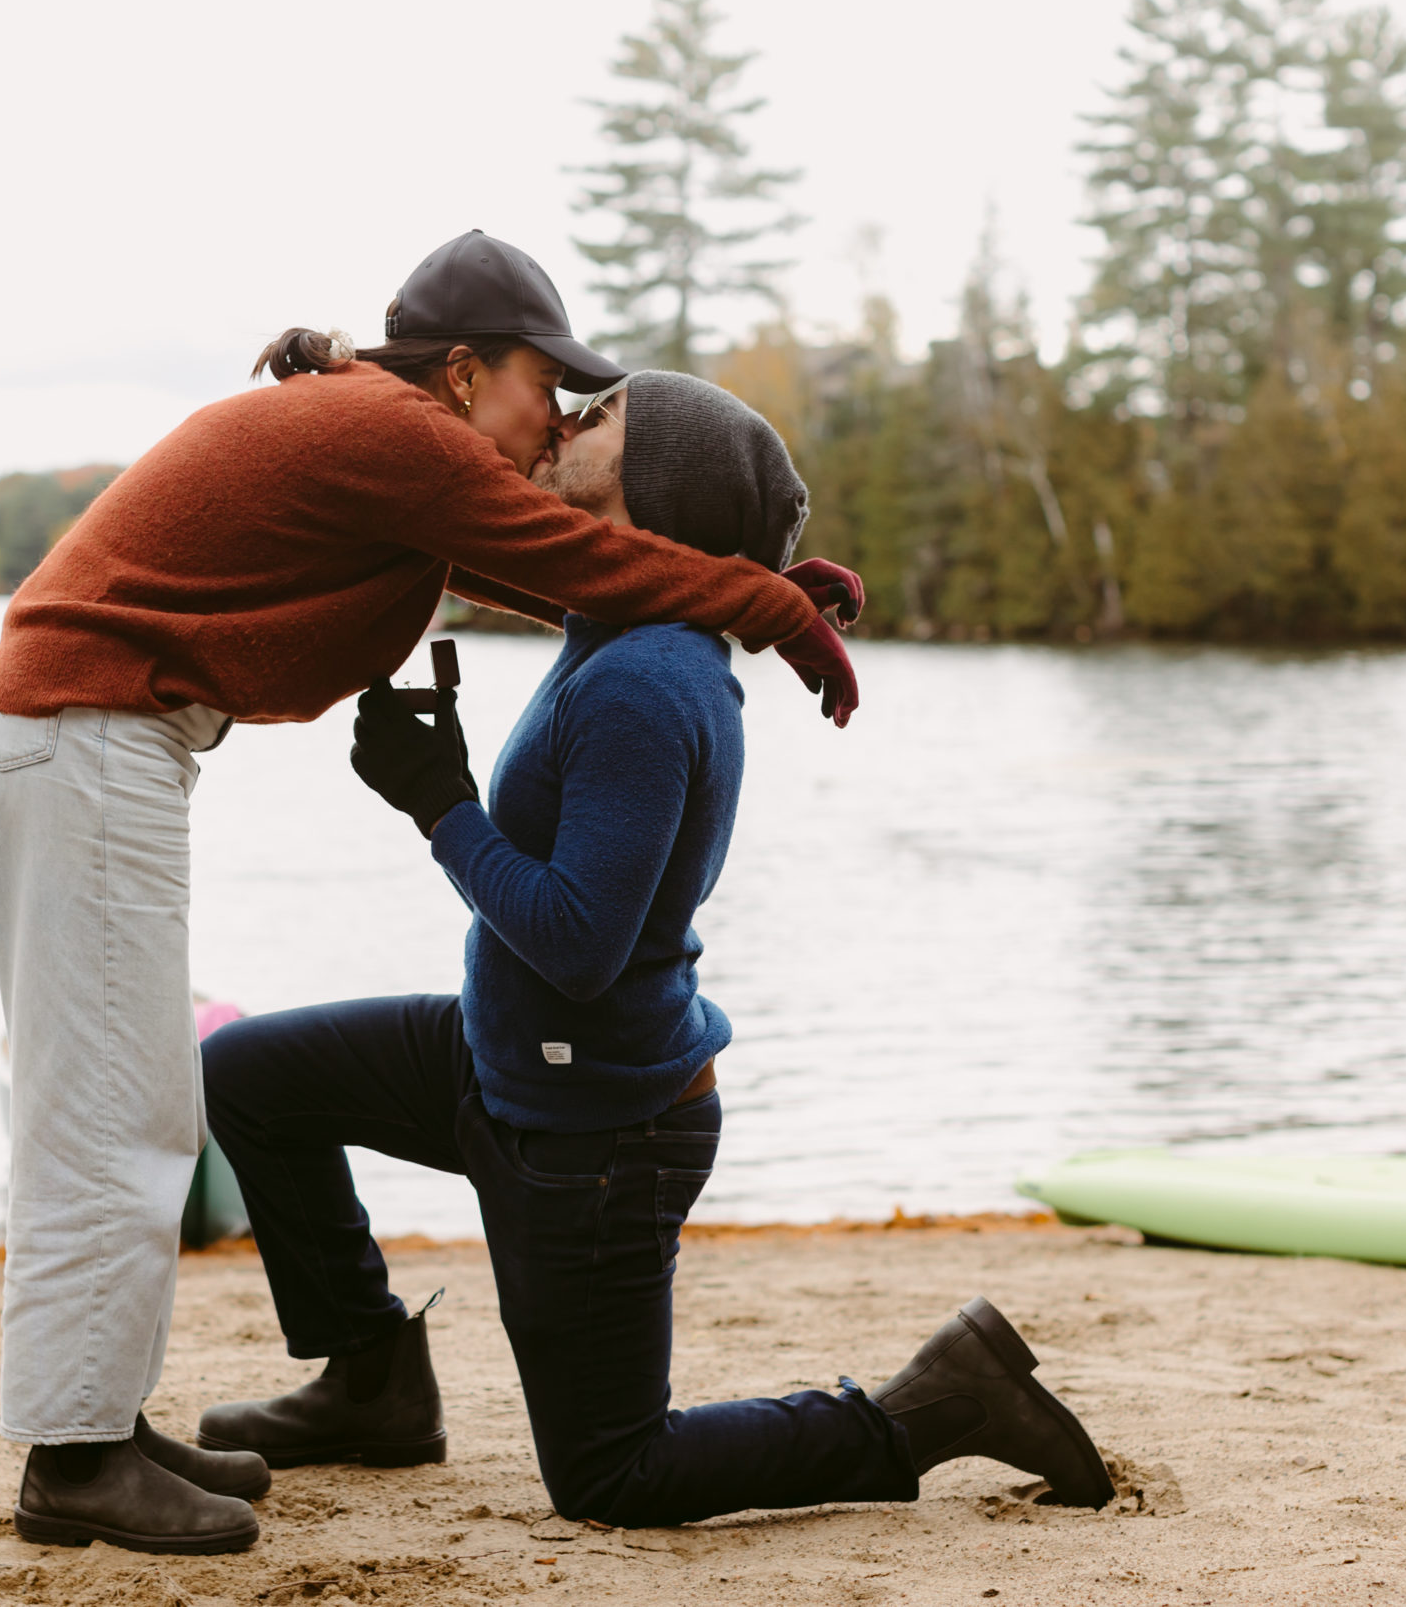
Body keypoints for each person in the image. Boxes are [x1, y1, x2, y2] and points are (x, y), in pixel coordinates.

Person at [0, 231, 867, 1555]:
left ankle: (98, 1420)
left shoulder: (390, 435)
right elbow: (578, 566)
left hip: (91, 735)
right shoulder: (397, 431)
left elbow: (552, 572)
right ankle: (77, 1456)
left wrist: (753, 593)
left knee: (145, 1093)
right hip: (85, 732)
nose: (552, 414)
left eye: (580, 401)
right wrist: (762, 606)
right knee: (111, 1108)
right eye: (539, 382)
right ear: (461, 372)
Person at [191, 374, 1113, 1526]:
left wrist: (441, 805)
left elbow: (579, 945)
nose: (569, 416)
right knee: (248, 1079)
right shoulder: (615, 619)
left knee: (612, 1477)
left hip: (598, 1133)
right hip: (500, 1058)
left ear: (660, 486)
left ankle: (932, 1406)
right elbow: (459, 547)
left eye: (604, 414)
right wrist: (351, 373)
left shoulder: (646, 679)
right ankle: (372, 1380)